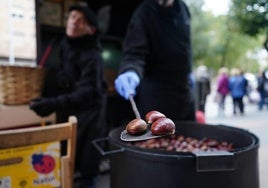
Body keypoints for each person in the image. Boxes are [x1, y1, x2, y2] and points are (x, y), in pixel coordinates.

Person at [30, 4, 107, 188]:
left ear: (91, 29)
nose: (74, 22)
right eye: (72, 17)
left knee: (87, 171)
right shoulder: (64, 46)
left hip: (90, 116)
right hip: (69, 111)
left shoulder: (93, 56)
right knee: (66, 163)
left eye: (82, 21)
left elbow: (87, 92)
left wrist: (53, 103)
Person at [114, 0, 195, 121]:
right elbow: (134, 52)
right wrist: (130, 70)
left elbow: (186, 46)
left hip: (183, 93)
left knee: (189, 137)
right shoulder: (144, 12)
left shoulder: (183, 8)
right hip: (156, 96)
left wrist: (188, 70)